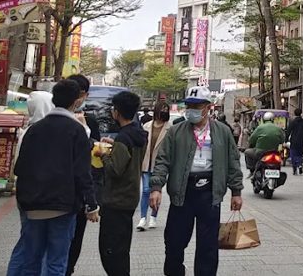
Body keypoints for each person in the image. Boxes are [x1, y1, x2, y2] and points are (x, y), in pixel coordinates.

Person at [7, 80, 98, 276]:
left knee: (31, 260)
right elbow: (82, 172)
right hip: (62, 206)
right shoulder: (77, 130)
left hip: (33, 205)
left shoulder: (34, 129)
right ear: (76, 102)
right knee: (56, 263)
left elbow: (20, 168)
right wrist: (91, 205)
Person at [150, 85, 243, 276]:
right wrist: (156, 187)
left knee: (208, 246)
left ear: (209, 107)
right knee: (174, 242)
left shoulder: (223, 132)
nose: (191, 110)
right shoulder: (176, 132)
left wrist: (236, 192)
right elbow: (162, 160)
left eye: (197, 105)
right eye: (189, 105)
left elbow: (233, 162)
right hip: (182, 193)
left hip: (210, 193)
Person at [97, 91, 146, 276]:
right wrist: (114, 145)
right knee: (121, 249)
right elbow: (129, 158)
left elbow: (115, 170)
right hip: (130, 197)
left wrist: (104, 155)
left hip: (116, 200)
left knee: (110, 251)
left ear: (116, 112)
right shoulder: (137, 133)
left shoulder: (124, 137)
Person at [64, 74, 100, 276]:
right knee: (70, 240)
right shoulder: (80, 123)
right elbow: (86, 165)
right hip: (72, 194)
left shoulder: (89, 120)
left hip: (57, 194)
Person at [139, 98, 173, 231]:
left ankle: (153, 217)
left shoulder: (170, 128)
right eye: (162, 109)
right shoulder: (147, 126)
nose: (164, 112)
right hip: (146, 162)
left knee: (156, 190)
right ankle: (142, 218)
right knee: (146, 190)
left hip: (160, 164)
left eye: (166, 110)